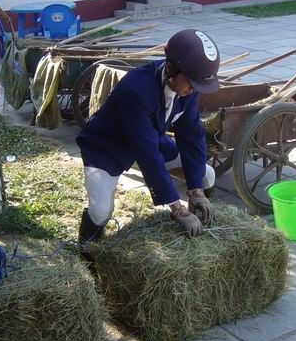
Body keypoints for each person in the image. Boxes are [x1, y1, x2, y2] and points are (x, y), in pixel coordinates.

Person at [75, 29, 220, 252]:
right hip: (107, 146)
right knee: (101, 210)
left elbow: (191, 136)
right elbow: (148, 155)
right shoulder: (136, 89)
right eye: (192, 83)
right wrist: (176, 209)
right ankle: (86, 252)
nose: (194, 91)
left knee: (205, 174)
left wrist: (195, 191)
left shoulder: (188, 89)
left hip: (149, 140)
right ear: (172, 69)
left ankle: (199, 229)